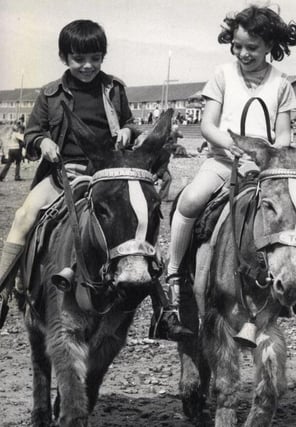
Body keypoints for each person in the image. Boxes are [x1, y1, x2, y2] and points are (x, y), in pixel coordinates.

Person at [158, 5, 296, 341]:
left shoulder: (281, 84)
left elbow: (283, 135)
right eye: (237, 46)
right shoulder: (223, 75)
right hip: (222, 161)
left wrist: (267, 158)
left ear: (269, 46)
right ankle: (174, 274)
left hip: (265, 168)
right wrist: (232, 149)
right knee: (190, 202)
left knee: (295, 210)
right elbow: (208, 125)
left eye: (251, 48)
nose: (243, 53)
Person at [0, 20, 175, 329]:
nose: (87, 65)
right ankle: (3, 286)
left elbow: (131, 123)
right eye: (79, 59)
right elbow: (31, 134)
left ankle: (163, 305)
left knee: (138, 220)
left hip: (106, 176)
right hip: (63, 175)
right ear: (64, 58)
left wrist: (126, 129)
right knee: (24, 217)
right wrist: (44, 142)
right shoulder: (50, 94)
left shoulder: (114, 89)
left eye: (95, 58)